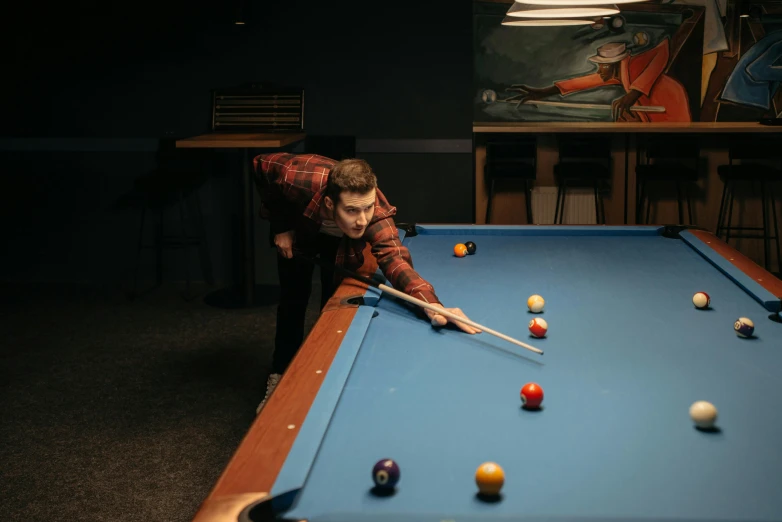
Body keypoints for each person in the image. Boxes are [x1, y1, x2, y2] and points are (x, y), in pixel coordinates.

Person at [253, 152, 479, 412]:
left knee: (333, 302)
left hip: (340, 241)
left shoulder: (374, 213)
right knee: (293, 299)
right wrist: (281, 226)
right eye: (352, 210)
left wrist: (432, 305)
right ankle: (279, 374)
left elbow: (396, 261)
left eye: (367, 208)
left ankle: (320, 379)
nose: (362, 219)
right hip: (300, 226)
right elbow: (262, 165)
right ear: (329, 203)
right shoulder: (298, 178)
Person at [516, 39, 691, 122]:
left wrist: (632, 94)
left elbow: (663, 51)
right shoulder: (618, 73)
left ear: (614, 64)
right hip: (655, 108)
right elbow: (581, 82)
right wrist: (542, 92)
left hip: (670, 102)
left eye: (603, 65)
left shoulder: (634, 65)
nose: (600, 69)